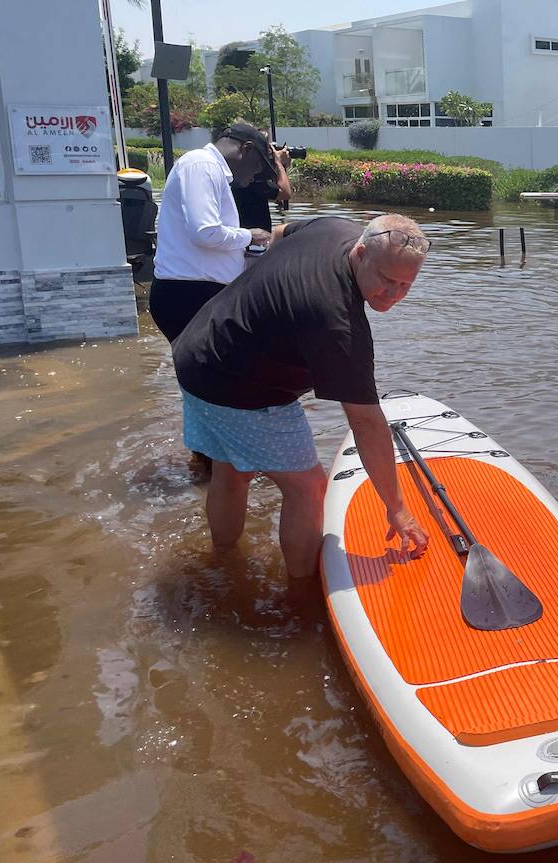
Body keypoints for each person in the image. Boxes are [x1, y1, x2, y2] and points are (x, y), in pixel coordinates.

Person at [170, 214, 432, 582]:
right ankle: (301, 594)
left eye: (406, 285)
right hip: (237, 384)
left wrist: (274, 304)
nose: (394, 295)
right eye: (387, 280)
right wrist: (397, 509)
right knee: (308, 488)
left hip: (199, 347)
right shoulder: (337, 324)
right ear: (360, 253)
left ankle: (222, 563)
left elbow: (278, 232)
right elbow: (366, 424)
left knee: (232, 470)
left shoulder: (334, 227)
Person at [149, 122, 277, 342]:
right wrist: (250, 235)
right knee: (217, 371)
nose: (257, 174)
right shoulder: (201, 165)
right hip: (189, 294)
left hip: (198, 292)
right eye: (258, 165)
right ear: (246, 149)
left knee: (216, 372)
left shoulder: (209, 169)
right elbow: (205, 232)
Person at [232, 133, 292, 234]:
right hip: (253, 239)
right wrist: (279, 163)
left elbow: (275, 190)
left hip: (243, 235)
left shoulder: (238, 169)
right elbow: (285, 193)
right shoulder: (253, 176)